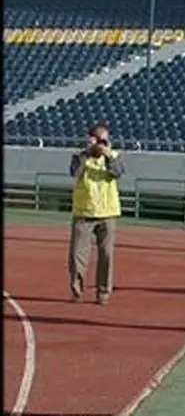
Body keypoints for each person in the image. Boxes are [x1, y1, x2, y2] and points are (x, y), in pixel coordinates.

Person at [67, 124, 126, 304]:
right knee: (77, 255)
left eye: (104, 140)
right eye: (98, 140)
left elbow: (117, 173)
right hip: (84, 212)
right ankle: (77, 290)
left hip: (107, 213)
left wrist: (107, 155)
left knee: (106, 255)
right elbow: (74, 173)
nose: (101, 144)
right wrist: (87, 152)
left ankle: (103, 292)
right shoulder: (80, 156)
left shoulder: (113, 156)